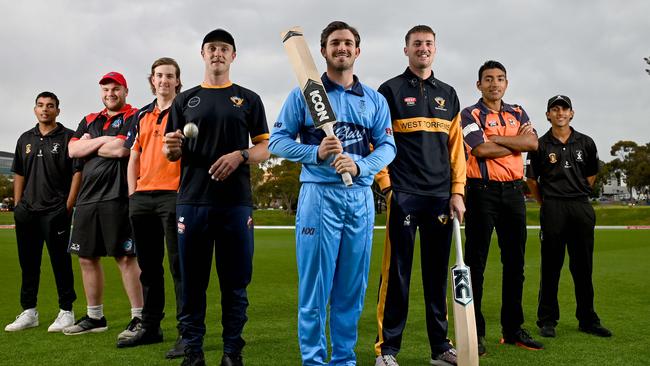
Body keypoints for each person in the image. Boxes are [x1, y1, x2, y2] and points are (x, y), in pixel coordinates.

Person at [270, 21, 396, 366]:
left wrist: (361, 167)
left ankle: (344, 360)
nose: (342, 48)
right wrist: (316, 153)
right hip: (318, 197)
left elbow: (388, 147)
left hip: (359, 198)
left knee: (351, 291)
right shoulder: (303, 94)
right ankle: (314, 361)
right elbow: (277, 141)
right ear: (323, 51)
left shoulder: (374, 99)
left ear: (357, 51)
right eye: (335, 43)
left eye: (348, 43)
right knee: (315, 289)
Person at [162, 29, 270, 366]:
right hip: (192, 201)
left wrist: (240, 154)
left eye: (224, 49)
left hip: (235, 203)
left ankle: (231, 352)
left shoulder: (248, 99)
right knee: (192, 285)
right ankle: (193, 353)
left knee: (235, 285)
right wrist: (172, 148)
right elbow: (172, 152)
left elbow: (265, 148)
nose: (218, 53)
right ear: (203, 54)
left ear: (233, 56)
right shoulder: (185, 100)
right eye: (212, 48)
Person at [373, 25, 466, 366]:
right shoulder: (390, 90)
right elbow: (376, 140)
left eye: (428, 44)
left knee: (436, 275)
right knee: (396, 274)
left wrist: (457, 192)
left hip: (441, 197)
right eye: (416, 44)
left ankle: (441, 348)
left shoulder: (449, 93)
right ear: (406, 50)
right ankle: (387, 351)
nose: (422, 48)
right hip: (404, 195)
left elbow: (457, 151)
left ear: (435, 49)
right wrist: (386, 185)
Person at [460, 60, 543, 354]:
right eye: (488, 79)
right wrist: (515, 142)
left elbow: (533, 144)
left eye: (500, 79)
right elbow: (479, 149)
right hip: (481, 192)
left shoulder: (518, 111)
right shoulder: (469, 113)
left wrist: (497, 138)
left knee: (515, 265)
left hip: (513, 194)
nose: (494, 83)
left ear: (506, 83)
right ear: (479, 84)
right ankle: (476, 332)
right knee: (475, 265)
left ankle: (513, 330)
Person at [63, 72, 144, 339]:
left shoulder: (135, 115)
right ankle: (95, 317)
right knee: (86, 257)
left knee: (125, 257)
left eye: (116, 89)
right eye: (106, 89)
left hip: (117, 197)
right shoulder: (89, 119)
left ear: (125, 91)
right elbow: (73, 151)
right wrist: (102, 143)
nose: (110, 93)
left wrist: (90, 143)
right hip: (87, 199)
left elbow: (123, 149)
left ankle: (139, 318)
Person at [526, 95, 612, 339]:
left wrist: (576, 193)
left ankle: (587, 319)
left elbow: (592, 176)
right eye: (555, 109)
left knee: (583, 267)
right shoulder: (540, 144)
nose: (560, 113)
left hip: (580, 207)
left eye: (564, 109)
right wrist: (548, 202)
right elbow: (531, 180)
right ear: (548, 115)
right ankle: (547, 320)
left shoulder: (585, 142)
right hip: (553, 208)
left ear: (572, 113)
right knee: (551, 266)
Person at [116, 57, 185, 357]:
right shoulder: (141, 114)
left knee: (179, 268)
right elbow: (133, 156)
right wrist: (133, 194)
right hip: (142, 198)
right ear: (152, 80)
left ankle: (187, 332)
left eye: (170, 76)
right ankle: (151, 326)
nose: (164, 81)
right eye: (159, 76)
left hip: (174, 196)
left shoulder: (186, 111)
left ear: (177, 81)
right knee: (149, 268)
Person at [5, 92, 81, 333]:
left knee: (60, 262)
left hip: (55, 211)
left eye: (50, 106)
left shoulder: (69, 137)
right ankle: (29, 311)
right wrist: (18, 205)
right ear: (35, 109)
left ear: (58, 110)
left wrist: (68, 206)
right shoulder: (25, 138)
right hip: (27, 211)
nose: (45, 109)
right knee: (28, 263)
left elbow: (77, 173)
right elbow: (19, 173)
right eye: (40, 105)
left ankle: (66, 311)